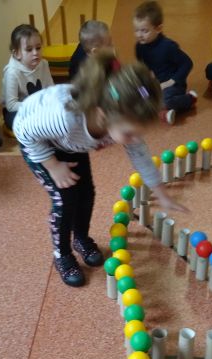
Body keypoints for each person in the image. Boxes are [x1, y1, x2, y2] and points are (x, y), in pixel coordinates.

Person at [14, 51, 188, 287]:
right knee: (65, 199)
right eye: (129, 133)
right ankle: (62, 254)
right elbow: (23, 131)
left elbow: (141, 157)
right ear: (104, 115)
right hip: (40, 145)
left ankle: (80, 238)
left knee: (86, 193)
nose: (134, 139)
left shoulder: (121, 120)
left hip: (72, 143)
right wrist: (53, 166)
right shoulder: (65, 117)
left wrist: (162, 194)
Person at [133, 1, 197, 125]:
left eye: (144, 31)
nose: (139, 35)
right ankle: (164, 112)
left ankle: (189, 98)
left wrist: (171, 81)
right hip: (154, 85)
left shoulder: (168, 46)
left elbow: (187, 63)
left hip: (172, 86)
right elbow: (143, 68)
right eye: (136, 30)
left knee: (165, 100)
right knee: (137, 96)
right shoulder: (139, 47)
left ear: (158, 28)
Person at [2, 24, 54, 131]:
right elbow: (11, 105)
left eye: (38, 48)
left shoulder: (44, 64)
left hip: (41, 107)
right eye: (29, 49)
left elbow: (51, 89)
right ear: (17, 53)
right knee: (18, 121)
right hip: (18, 111)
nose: (35, 53)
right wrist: (36, 106)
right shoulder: (12, 72)